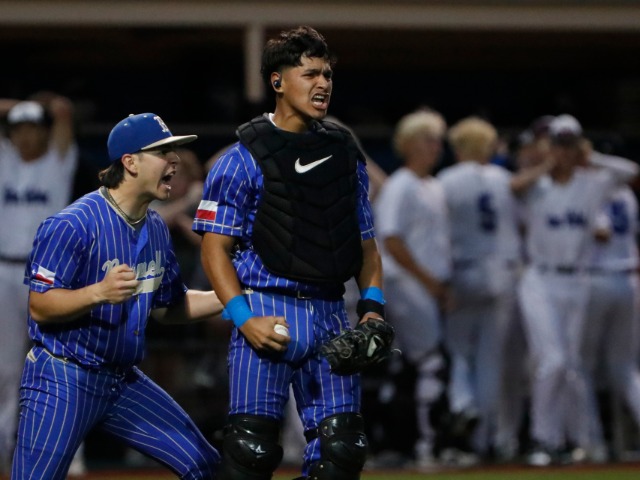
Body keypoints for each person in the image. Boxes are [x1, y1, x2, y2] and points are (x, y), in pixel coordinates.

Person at [193, 25, 386, 480]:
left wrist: (373, 310)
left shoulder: (345, 154)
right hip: (265, 309)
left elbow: (366, 246)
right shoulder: (239, 158)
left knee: (342, 454)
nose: (323, 84)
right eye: (310, 74)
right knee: (250, 453)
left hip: (331, 315)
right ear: (277, 81)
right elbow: (214, 251)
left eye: (327, 75)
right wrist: (243, 319)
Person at [11, 112, 223, 480]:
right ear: (130, 162)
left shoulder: (155, 226)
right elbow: (40, 306)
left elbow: (169, 308)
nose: (174, 160)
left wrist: (234, 298)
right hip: (63, 378)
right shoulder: (72, 224)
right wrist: (98, 292)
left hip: (121, 381)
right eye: (163, 152)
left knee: (202, 463)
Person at [516, 114, 639, 466]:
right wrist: (547, 163)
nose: (564, 152)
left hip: (579, 280)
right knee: (552, 361)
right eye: (559, 144)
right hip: (540, 279)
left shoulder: (592, 182)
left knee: (570, 366)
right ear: (549, 147)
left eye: (569, 145)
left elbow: (631, 171)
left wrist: (591, 157)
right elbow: (514, 186)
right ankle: (542, 439)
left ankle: (562, 440)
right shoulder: (538, 184)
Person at [436, 116, 524, 462]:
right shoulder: (504, 179)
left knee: (458, 351)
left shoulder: (446, 180)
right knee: (490, 360)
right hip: (503, 273)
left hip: (464, 271)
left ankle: (465, 405)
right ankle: (484, 438)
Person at [0, 94, 78, 475]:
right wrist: (22, 106)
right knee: (6, 367)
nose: (26, 135)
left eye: (33, 127)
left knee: (58, 362)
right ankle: (5, 447)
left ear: (44, 131)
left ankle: (69, 450)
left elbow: (62, 109)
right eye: (19, 128)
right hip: (4, 269)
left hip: (49, 273)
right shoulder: (4, 160)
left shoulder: (58, 161)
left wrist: (33, 105)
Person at [373, 108, 450, 470]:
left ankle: (397, 443)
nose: (436, 147)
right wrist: (431, 282)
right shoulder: (400, 185)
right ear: (409, 144)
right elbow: (391, 240)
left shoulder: (433, 186)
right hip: (405, 282)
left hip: (425, 284)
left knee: (404, 366)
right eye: (429, 139)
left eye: (438, 140)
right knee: (429, 361)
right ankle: (425, 444)